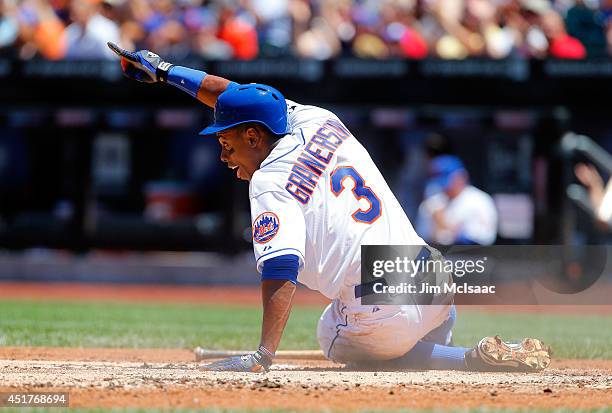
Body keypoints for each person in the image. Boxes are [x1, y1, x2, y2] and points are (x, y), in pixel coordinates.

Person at [107, 42, 551, 373]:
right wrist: (165, 71)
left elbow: (280, 267)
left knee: (330, 338)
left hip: (386, 312)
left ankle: (466, 361)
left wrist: (264, 354)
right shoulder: (315, 117)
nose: (223, 154)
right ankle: (448, 352)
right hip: (434, 279)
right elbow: (239, 94)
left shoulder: (269, 180)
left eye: (227, 141)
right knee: (392, 320)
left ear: (254, 137)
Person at [417, 155, 498, 245]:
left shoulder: (480, 200)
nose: (445, 187)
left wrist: (449, 228)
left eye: (448, 180)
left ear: (462, 176)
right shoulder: (431, 204)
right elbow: (422, 238)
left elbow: (485, 237)